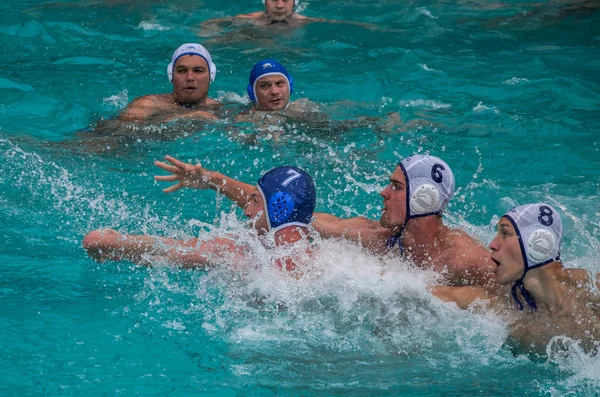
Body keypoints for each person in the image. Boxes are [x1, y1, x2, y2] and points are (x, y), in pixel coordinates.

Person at [83, 158, 316, 273]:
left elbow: (168, 249)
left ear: (279, 208)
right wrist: (211, 179)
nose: (246, 210)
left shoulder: (245, 258)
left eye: (255, 200)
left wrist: (109, 242)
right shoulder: (330, 258)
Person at [432, 203, 600, 355]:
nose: (492, 244)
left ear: (537, 243)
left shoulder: (590, 289)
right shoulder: (502, 307)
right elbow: (419, 291)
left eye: (505, 233)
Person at [314, 154, 496, 286]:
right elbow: (318, 222)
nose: (384, 192)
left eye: (396, 187)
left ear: (424, 198)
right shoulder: (379, 237)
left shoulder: (462, 258)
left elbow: (513, 300)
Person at [117, 43, 220, 123]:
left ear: (211, 75)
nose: (189, 77)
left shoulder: (217, 107)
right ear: (171, 75)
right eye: (182, 70)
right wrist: (182, 119)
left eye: (198, 70)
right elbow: (120, 131)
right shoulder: (148, 105)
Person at [234, 58, 322, 124]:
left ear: (289, 86)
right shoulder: (244, 120)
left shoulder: (306, 108)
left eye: (279, 83)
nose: (274, 91)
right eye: (264, 85)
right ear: (253, 93)